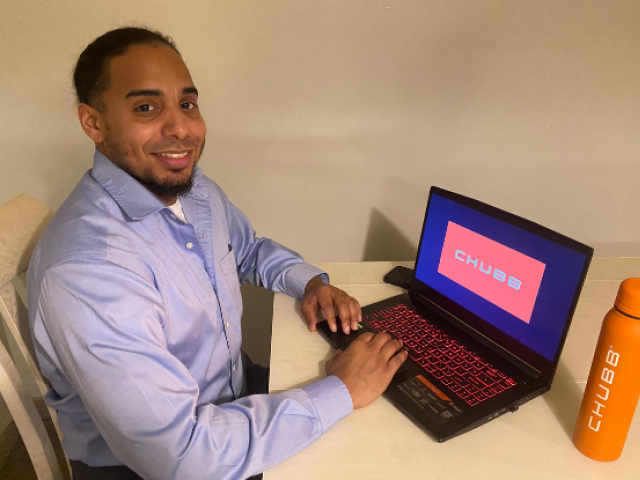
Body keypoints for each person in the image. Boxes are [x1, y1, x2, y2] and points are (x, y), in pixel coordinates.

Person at [27, 27, 407, 480]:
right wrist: (342, 389)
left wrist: (308, 282)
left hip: (232, 394)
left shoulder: (193, 189)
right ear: (94, 122)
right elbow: (182, 457)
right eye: (146, 107)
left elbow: (246, 249)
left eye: (187, 104)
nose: (181, 128)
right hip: (158, 463)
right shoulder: (90, 270)